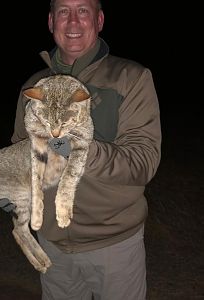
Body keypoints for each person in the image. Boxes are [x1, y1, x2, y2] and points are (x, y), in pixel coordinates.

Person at [11, 0, 161, 299]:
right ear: (51, 22)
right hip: (52, 244)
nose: (73, 21)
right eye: (64, 11)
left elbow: (143, 162)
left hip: (113, 244)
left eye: (83, 10)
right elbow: (21, 151)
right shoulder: (33, 87)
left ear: (100, 19)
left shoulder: (131, 78)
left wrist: (74, 149)